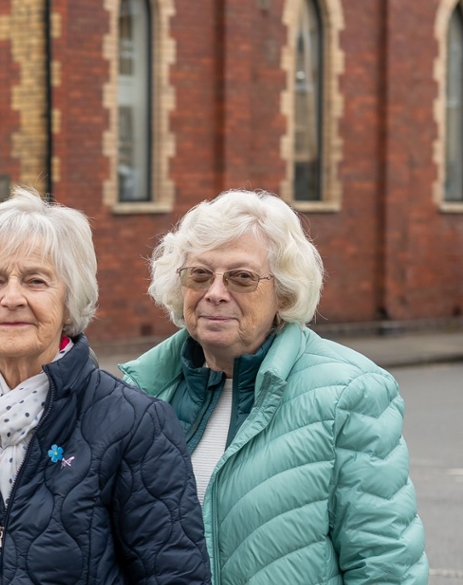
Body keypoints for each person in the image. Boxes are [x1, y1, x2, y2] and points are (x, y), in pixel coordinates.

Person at [0, 188, 209, 583]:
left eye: (35, 281)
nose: (12, 298)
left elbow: (173, 575)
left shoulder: (135, 425)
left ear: (69, 300)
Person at [120, 189, 428, 583]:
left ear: (283, 292)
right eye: (199, 274)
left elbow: (386, 566)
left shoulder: (350, 393)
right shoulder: (142, 395)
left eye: (242, 278)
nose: (215, 293)